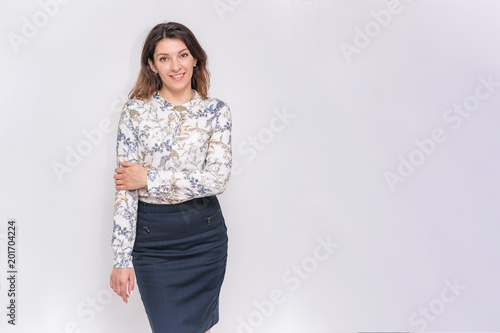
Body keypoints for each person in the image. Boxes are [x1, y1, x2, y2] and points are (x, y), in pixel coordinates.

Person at [109, 22, 232, 333]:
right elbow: (126, 189)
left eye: (183, 55)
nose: (175, 66)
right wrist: (121, 258)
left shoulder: (216, 112)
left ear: (195, 59)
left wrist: (149, 178)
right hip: (153, 241)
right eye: (164, 58)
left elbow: (217, 179)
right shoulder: (135, 112)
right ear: (152, 64)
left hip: (204, 237)